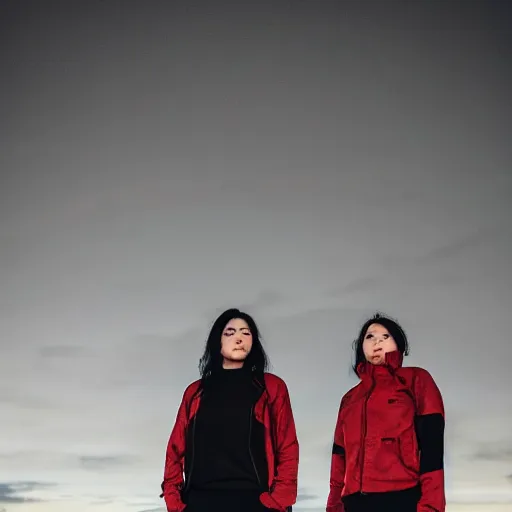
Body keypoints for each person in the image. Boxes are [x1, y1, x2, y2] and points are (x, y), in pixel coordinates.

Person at [160, 308, 299, 512]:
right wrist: (174, 501)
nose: (239, 338)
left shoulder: (271, 387)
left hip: (254, 501)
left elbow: (287, 445)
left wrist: (277, 500)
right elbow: (175, 449)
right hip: (199, 501)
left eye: (246, 332)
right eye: (230, 332)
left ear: (254, 342)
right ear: (217, 341)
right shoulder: (195, 392)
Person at [326, 313, 445, 512]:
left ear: (399, 344)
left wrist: (431, 506)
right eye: (370, 336)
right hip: (354, 503)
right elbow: (339, 457)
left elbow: (432, 447)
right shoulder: (350, 398)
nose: (377, 341)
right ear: (361, 347)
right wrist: (334, 506)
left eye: (385, 336)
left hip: (402, 498)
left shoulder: (416, 380)